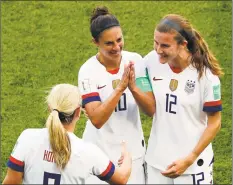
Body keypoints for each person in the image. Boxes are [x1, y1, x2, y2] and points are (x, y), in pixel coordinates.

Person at [128, 14, 223, 184]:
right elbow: (149, 109)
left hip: (192, 166)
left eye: (165, 45)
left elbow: (215, 123)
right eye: (156, 42)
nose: (158, 50)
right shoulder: (150, 62)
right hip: (157, 163)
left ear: (183, 45)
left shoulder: (206, 77)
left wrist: (190, 158)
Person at [2, 84, 132, 184]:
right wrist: (127, 157)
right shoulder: (88, 151)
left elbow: (10, 182)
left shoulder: (27, 138)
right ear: (78, 112)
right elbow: (121, 179)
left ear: (49, 108)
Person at [78, 6, 147, 184]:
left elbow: (151, 109)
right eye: (109, 43)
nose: (117, 47)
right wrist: (120, 88)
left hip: (133, 153)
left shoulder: (136, 61)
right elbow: (97, 119)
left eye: (119, 40)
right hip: (100, 153)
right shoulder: (88, 71)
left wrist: (134, 89)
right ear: (95, 43)